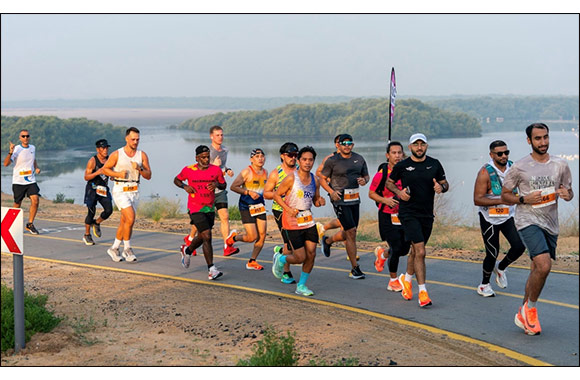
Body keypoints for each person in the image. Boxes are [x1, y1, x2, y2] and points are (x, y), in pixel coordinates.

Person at [501, 123, 573, 335]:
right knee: (543, 265)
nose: (543, 142)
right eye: (538, 138)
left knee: (535, 269)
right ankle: (530, 310)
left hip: (550, 223)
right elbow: (505, 195)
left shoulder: (561, 165)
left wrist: (568, 195)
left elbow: (569, 192)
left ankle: (523, 312)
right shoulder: (520, 167)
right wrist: (523, 198)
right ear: (529, 141)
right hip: (527, 220)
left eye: (545, 137)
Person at [387, 133, 449, 308]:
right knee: (421, 251)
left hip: (427, 214)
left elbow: (445, 183)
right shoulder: (403, 166)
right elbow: (389, 183)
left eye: (422, 144)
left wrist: (441, 187)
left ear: (427, 146)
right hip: (408, 213)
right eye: (416, 144)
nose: (419, 147)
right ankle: (422, 292)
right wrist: (399, 193)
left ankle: (406, 279)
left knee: (415, 251)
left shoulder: (434, 164)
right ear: (410, 147)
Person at [473, 140, 525, 297]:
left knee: (519, 247)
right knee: (492, 252)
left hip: (508, 215)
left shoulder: (513, 168)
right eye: (500, 153)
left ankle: (501, 268)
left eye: (506, 152)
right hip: (489, 218)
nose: (504, 156)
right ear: (491, 155)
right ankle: (484, 285)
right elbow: (477, 199)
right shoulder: (485, 172)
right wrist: (501, 200)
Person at [272, 146, 326, 296]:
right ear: (299, 160)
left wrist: (320, 201)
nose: (308, 163)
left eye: (310, 160)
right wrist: (288, 209)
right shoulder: (291, 178)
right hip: (291, 221)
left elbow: (314, 200)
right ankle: (281, 258)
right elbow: (276, 195)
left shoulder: (315, 179)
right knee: (300, 257)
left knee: (312, 254)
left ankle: (301, 285)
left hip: (308, 220)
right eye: (304, 159)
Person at [319, 134, 369, 279]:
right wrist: (331, 192)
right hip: (339, 199)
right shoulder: (332, 160)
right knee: (351, 232)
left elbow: (366, 176)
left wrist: (364, 180)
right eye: (344, 143)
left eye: (349, 143)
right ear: (338, 145)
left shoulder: (359, 159)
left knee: (350, 232)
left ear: (352, 145)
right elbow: (321, 179)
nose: (347, 145)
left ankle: (327, 241)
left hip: (354, 199)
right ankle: (355, 268)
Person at [183, 125, 239, 256]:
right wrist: (215, 166)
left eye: (222, 135)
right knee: (200, 223)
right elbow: (202, 169)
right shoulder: (207, 152)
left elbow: (222, 167)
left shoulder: (225, 150)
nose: (220, 137)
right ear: (211, 137)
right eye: (217, 135)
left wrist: (227, 170)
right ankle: (190, 239)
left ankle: (227, 246)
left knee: (225, 216)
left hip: (219, 191)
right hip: (206, 193)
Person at [175, 145, 227, 280]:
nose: (206, 160)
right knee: (207, 235)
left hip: (209, 207)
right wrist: (185, 186)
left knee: (203, 235)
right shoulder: (189, 170)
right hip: (194, 207)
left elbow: (223, 184)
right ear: (197, 158)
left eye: (207, 157)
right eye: (203, 157)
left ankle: (187, 250)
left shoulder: (215, 170)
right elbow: (177, 180)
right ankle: (212, 269)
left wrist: (216, 185)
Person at [101, 127, 152, 263]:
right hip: (120, 190)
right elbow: (105, 169)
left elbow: (148, 175)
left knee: (125, 222)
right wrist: (117, 174)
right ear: (126, 139)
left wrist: (139, 168)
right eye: (133, 139)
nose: (135, 142)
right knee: (131, 218)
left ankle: (114, 248)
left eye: (137, 139)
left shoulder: (142, 155)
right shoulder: (117, 154)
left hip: (134, 191)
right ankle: (127, 248)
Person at [368, 141, 413, 292]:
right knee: (396, 247)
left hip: (404, 216)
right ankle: (393, 281)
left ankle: (383, 254)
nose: (397, 156)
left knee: (404, 250)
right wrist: (385, 200)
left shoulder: (407, 171)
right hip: (387, 215)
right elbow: (371, 193)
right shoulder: (382, 175)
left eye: (399, 152)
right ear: (388, 156)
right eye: (393, 153)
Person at [263, 142, 299, 284]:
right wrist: (280, 194)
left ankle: (280, 251)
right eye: (290, 155)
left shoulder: (300, 170)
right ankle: (286, 273)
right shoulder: (276, 173)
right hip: (281, 210)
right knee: (289, 242)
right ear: (282, 156)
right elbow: (266, 193)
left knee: (299, 244)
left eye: (296, 155)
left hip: (297, 211)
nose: (293, 158)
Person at [228, 148, 268, 270]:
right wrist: (248, 192)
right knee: (252, 237)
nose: (260, 158)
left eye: (262, 156)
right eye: (257, 156)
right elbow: (233, 187)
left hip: (260, 206)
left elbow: (266, 189)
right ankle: (233, 238)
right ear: (251, 159)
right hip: (246, 206)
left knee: (262, 235)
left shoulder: (266, 172)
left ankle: (252, 261)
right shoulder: (246, 172)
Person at [4, 129, 41, 234]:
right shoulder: (17, 149)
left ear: (29, 137)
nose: (25, 138)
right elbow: (6, 164)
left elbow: (33, 159)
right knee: (17, 204)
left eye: (27, 136)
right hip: (18, 182)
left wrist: (36, 168)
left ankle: (30, 224)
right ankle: (9, 225)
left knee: (35, 200)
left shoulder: (33, 148)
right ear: (20, 138)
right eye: (23, 136)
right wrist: (10, 152)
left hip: (30, 180)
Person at [314, 135, 346, 257]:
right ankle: (350, 253)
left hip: (349, 194)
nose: (344, 145)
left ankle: (323, 229)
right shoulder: (330, 158)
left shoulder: (351, 158)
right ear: (336, 145)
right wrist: (330, 181)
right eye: (341, 142)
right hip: (335, 194)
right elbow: (318, 173)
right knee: (346, 226)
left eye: (347, 142)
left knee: (347, 223)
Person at [82, 139, 114, 245]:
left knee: (109, 210)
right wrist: (97, 172)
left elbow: (112, 172)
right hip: (92, 189)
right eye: (103, 148)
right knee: (91, 212)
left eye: (107, 148)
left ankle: (97, 223)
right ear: (98, 149)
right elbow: (86, 177)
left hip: (103, 189)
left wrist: (113, 176)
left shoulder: (110, 160)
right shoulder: (93, 161)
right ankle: (87, 235)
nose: (105, 150)